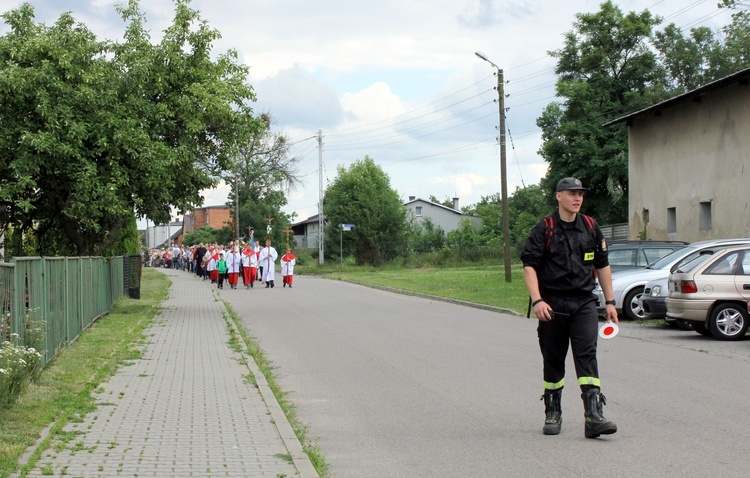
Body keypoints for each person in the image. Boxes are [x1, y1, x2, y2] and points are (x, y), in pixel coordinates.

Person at [520, 177, 619, 439]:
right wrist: (538, 300)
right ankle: (553, 412)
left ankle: (594, 416)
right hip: (552, 304)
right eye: (572, 193)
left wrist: (610, 301)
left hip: (584, 302)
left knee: (586, 355)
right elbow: (529, 266)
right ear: (558, 196)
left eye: (580, 194)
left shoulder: (590, 226)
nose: (577, 198)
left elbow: (603, 264)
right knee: (553, 360)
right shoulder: (544, 228)